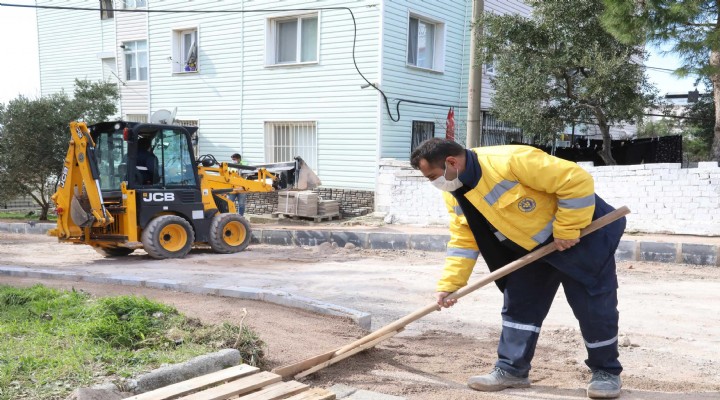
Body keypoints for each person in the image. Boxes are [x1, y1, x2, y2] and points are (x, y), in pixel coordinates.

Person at [410, 138, 626, 399]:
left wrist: (567, 229)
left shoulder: (510, 161)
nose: (434, 183)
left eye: (433, 176)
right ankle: (512, 370)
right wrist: (450, 284)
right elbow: (464, 239)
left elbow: (576, 180)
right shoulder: (454, 192)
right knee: (519, 306)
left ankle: (606, 372)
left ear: (451, 162)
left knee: (594, 307)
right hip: (531, 249)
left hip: (581, 236)